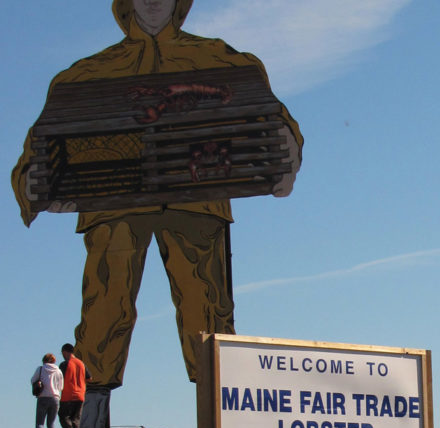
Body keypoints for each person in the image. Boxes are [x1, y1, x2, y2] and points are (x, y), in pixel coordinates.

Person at [10, 0, 302, 389]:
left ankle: (221, 427)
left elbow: (274, 118)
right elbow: (39, 145)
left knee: (207, 310)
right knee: (103, 311)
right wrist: (30, 183)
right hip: (113, 207)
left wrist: (284, 154)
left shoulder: (220, 59)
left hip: (196, 203)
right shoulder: (84, 74)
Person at [59, 343, 92, 428]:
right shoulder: (81, 363)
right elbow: (89, 378)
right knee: (75, 418)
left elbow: (59, 378)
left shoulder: (65, 364)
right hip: (80, 395)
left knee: (63, 415)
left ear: (65, 352)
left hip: (68, 394)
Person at [31, 354, 64, 428]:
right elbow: (61, 387)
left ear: (44, 360)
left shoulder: (41, 369)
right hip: (55, 398)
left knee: (40, 423)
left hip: (43, 397)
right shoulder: (58, 371)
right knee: (51, 423)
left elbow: (33, 380)